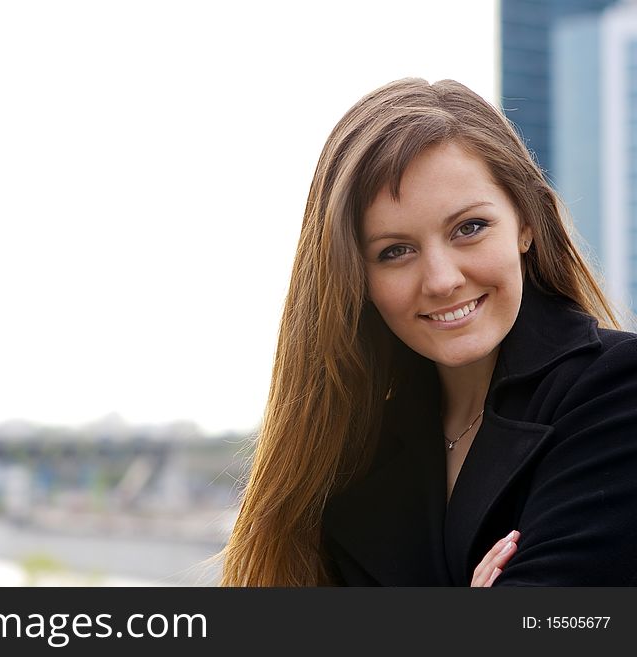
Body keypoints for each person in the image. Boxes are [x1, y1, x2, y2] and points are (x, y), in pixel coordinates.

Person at [220, 78, 637, 586]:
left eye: (469, 228)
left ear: (526, 222)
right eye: (395, 251)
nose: (442, 280)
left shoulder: (616, 390)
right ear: (357, 279)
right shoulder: (352, 444)